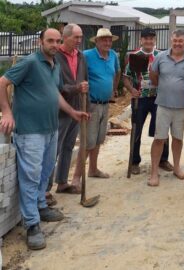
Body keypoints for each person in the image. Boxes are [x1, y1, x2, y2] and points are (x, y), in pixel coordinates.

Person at [0, 28, 88, 250]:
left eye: (58, 41)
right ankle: (31, 225)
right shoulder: (30, 62)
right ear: (40, 41)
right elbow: (2, 83)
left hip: (51, 128)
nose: (55, 44)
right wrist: (7, 113)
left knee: (45, 171)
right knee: (30, 177)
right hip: (30, 131)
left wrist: (72, 112)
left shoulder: (55, 64)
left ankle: (40, 205)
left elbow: (54, 94)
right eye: (50, 40)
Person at [148, 29, 184, 186]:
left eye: (181, 41)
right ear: (171, 41)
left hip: (181, 107)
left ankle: (176, 167)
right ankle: (154, 172)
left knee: (178, 138)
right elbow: (153, 75)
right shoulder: (160, 57)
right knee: (159, 139)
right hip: (163, 105)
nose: (177, 43)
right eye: (175, 41)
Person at [45, 24, 88, 203]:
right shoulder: (56, 58)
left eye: (81, 37)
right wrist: (76, 88)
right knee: (53, 149)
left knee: (68, 146)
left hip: (78, 108)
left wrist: (86, 107)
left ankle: (62, 182)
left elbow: (85, 82)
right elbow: (56, 88)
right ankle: (46, 189)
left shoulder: (80, 56)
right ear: (66, 37)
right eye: (76, 37)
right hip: (60, 110)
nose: (79, 41)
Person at [72, 28, 120, 183]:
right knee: (87, 142)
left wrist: (113, 89)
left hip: (105, 104)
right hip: (90, 105)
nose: (107, 43)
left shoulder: (113, 55)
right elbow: (77, 76)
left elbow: (117, 72)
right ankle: (76, 177)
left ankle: (93, 169)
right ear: (97, 41)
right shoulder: (86, 56)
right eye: (104, 40)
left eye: (109, 40)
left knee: (99, 139)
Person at [123, 27, 173, 175]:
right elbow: (126, 77)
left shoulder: (162, 55)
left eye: (151, 38)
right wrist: (131, 90)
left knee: (162, 129)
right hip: (140, 98)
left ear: (155, 40)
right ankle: (134, 161)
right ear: (141, 40)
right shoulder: (134, 56)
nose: (149, 41)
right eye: (146, 38)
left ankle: (163, 159)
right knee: (136, 129)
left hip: (159, 98)